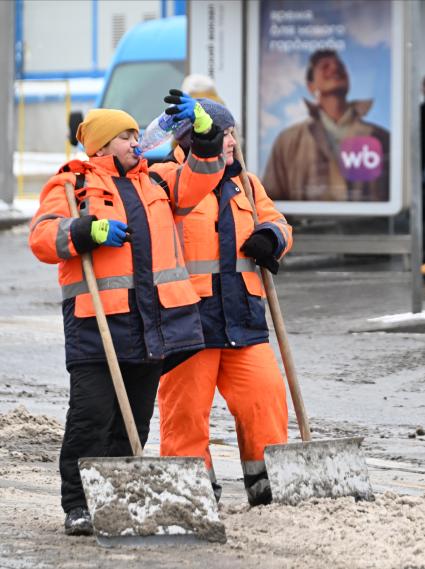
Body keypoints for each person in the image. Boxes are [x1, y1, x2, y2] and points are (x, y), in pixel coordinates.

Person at [28, 101, 226, 536]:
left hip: (151, 324)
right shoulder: (73, 183)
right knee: (91, 416)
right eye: (126, 137)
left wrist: (206, 137)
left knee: (133, 420)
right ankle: (78, 504)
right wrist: (85, 231)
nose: (137, 142)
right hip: (97, 324)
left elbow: (201, 179)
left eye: (137, 135)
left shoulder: (155, 179)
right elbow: (42, 237)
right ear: (102, 145)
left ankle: (114, 501)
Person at [151, 93, 293, 506]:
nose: (231, 140)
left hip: (243, 317)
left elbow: (277, 221)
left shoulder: (247, 184)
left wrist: (272, 238)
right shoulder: (165, 182)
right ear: (193, 138)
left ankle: (269, 489)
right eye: (222, 133)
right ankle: (192, 497)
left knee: (263, 400)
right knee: (186, 415)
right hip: (188, 320)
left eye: (232, 132)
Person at [263, 49, 390, 202]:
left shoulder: (380, 137)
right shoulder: (288, 140)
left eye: (340, 66)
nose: (334, 69)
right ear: (311, 86)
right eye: (325, 66)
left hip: (368, 226)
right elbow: (269, 204)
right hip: (303, 226)